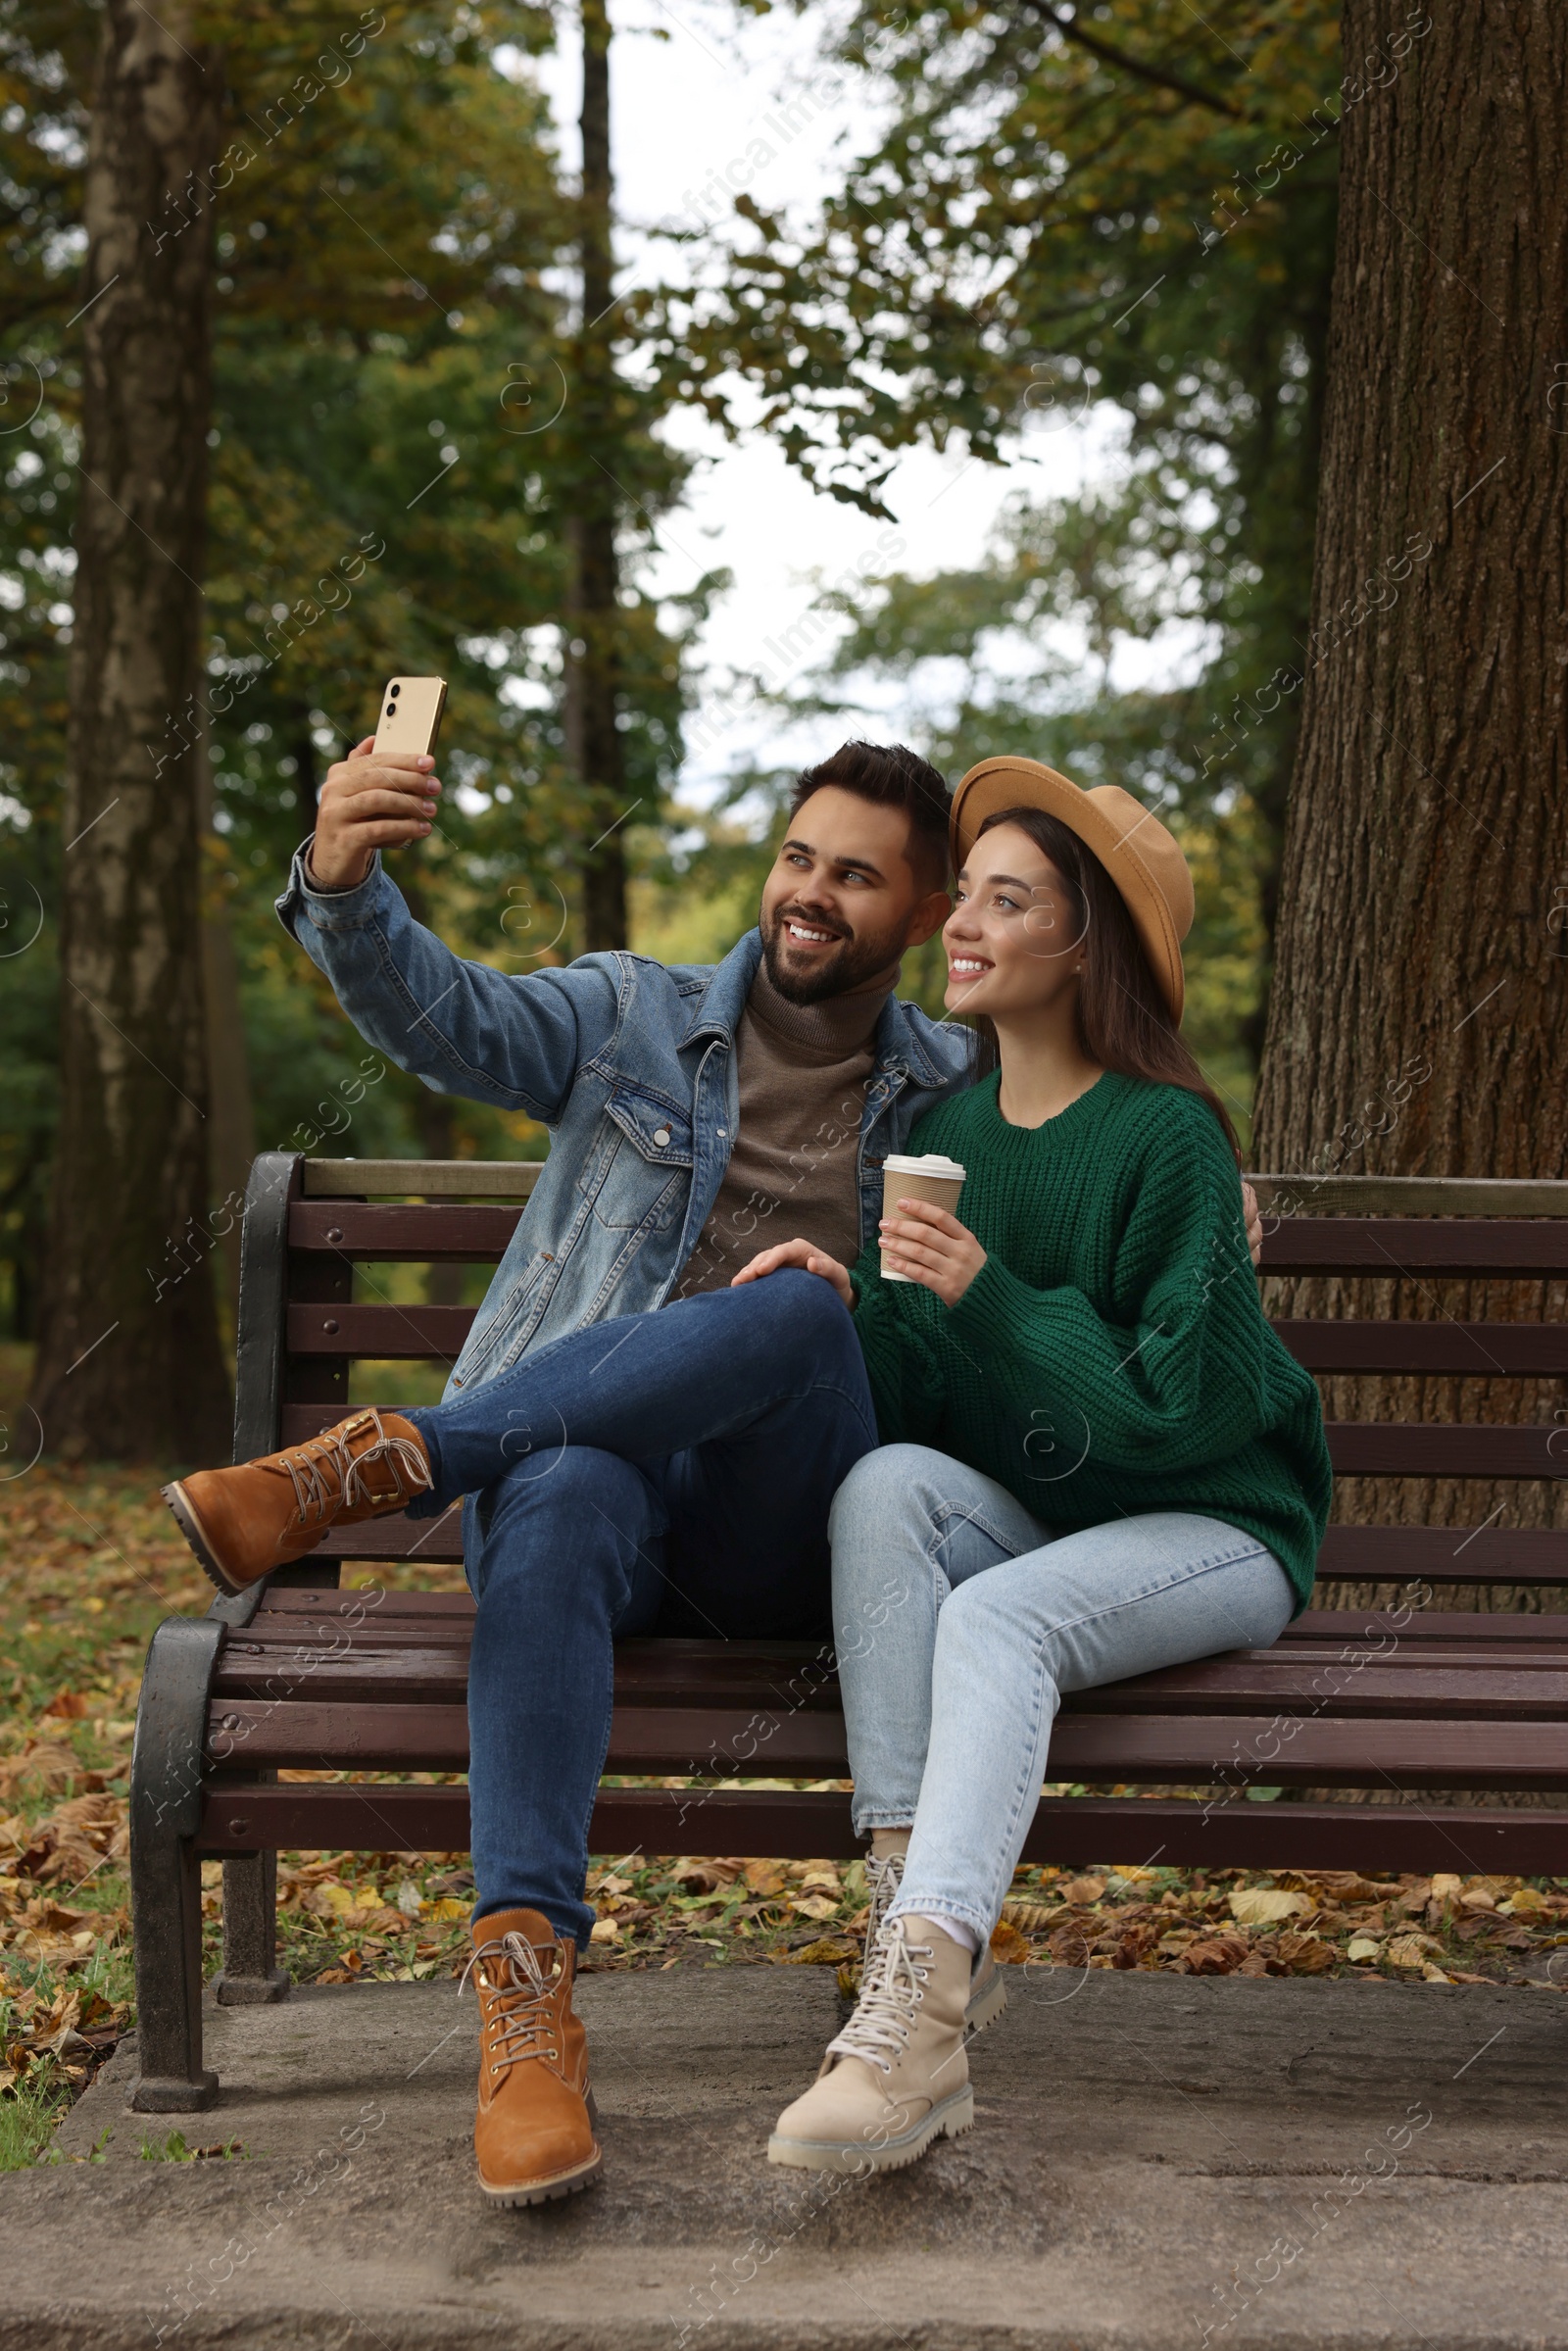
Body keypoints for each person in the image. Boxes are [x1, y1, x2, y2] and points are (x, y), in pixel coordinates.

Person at [159, 736, 1266, 2209]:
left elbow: (1096, 1113)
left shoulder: (952, 1080)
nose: (810, 896)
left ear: (926, 914)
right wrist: (346, 881)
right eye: (799, 858)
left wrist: (1217, 1172)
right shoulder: (629, 1014)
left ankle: (394, 1459)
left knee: (806, 1305)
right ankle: (528, 2012)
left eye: (858, 877)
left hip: (789, 1532)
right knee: (558, 1485)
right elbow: (448, 1019)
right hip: (590, 1508)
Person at [732, 755, 1333, 2178]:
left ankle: (917, 2016)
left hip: (1216, 1525)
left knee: (993, 1616)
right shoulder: (942, 1138)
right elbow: (925, 1414)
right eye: (970, 898)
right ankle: (909, 1964)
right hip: (1061, 1523)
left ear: (1082, 943)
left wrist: (987, 1290)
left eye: (1009, 902)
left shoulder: (1167, 1137)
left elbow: (1177, 1414)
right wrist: (857, 1308)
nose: (965, 925)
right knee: (878, 1492)